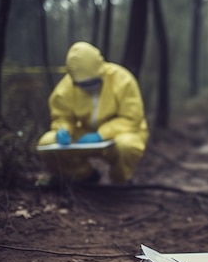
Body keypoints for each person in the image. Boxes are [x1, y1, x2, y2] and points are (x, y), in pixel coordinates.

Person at [37, 41, 148, 185]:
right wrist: (63, 129)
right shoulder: (65, 89)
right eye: (82, 85)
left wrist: (102, 134)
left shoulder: (123, 80)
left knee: (127, 146)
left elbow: (132, 118)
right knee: (47, 143)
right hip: (84, 136)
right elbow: (62, 116)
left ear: (101, 70)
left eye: (93, 83)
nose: (88, 88)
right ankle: (84, 177)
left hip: (118, 135)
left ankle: (121, 181)